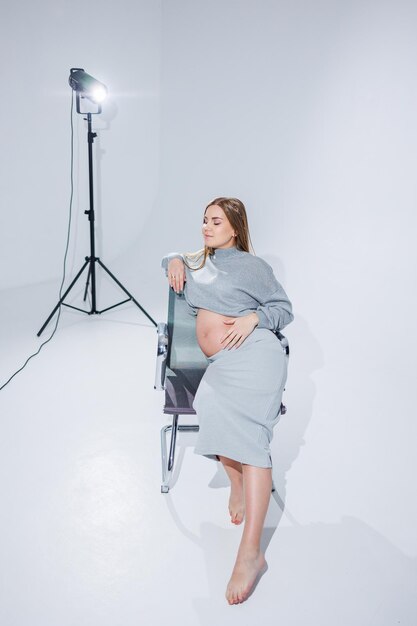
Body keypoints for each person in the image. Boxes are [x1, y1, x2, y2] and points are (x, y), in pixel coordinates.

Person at [161, 197, 293, 605]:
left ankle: (251, 554)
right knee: (211, 408)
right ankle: (236, 483)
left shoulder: (252, 266)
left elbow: (283, 309)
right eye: (203, 220)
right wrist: (172, 261)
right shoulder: (198, 263)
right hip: (223, 363)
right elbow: (171, 257)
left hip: (257, 356)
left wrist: (256, 318)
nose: (206, 226)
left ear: (234, 227)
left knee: (253, 444)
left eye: (215, 221)